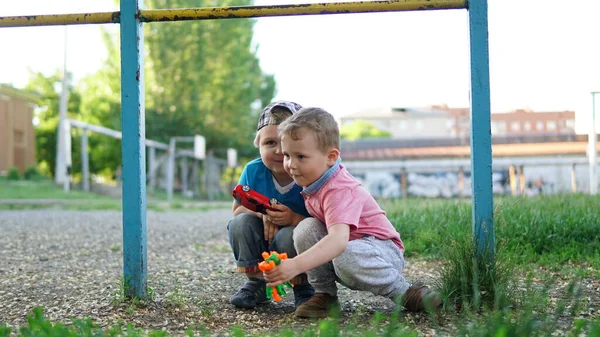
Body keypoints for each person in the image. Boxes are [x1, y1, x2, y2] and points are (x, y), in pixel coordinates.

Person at [264, 107, 442, 318]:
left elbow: (338, 241)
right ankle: (325, 296)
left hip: (381, 250)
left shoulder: (338, 188)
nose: (290, 165)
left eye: (301, 156)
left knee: (344, 254)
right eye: (287, 155)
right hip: (352, 248)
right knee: (305, 228)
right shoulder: (314, 182)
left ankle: (405, 292)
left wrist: (295, 265)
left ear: (331, 157)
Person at [228, 101, 315, 309]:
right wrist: (261, 214)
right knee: (241, 222)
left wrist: (292, 219)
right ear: (258, 143)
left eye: (285, 144)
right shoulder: (253, 171)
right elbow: (237, 210)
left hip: (296, 246)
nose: (278, 151)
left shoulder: (310, 174)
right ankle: (257, 282)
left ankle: (303, 285)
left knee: (289, 234)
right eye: (270, 143)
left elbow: (321, 223)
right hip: (263, 244)